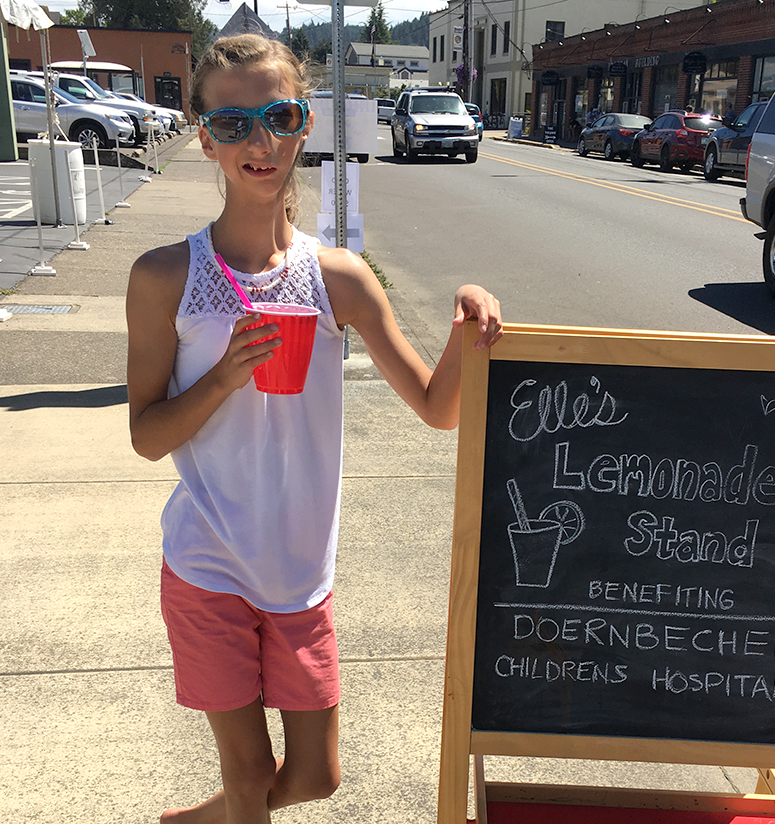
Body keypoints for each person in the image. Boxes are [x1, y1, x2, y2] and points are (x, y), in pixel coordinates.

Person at [125, 33, 502, 824]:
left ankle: (199, 820)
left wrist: (470, 318)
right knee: (252, 774)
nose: (258, 142)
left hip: (300, 573)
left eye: (279, 116)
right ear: (205, 139)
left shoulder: (340, 279)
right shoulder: (164, 276)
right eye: (232, 125)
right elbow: (149, 435)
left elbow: (438, 410)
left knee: (318, 776)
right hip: (207, 561)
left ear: (303, 126)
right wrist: (224, 375)